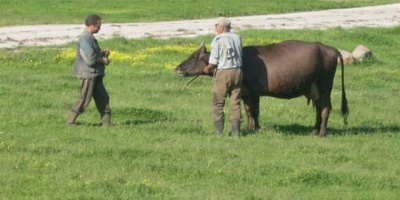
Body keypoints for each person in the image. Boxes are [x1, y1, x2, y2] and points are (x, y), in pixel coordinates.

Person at [66, 14, 111, 127]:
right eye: (98, 26)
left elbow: (92, 55)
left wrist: (102, 54)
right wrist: (103, 60)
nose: (100, 28)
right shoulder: (84, 38)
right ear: (91, 25)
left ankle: (106, 123)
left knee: (103, 98)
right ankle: (70, 121)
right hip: (88, 74)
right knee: (84, 99)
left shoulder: (90, 37)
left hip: (95, 74)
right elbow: (90, 59)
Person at [203, 17, 243, 137]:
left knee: (218, 102)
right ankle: (236, 132)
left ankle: (219, 131)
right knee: (235, 102)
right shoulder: (237, 38)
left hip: (223, 72)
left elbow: (214, 61)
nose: (215, 28)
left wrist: (207, 68)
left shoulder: (218, 40)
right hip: (238, 71)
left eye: (216, 26)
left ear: (221, 27)